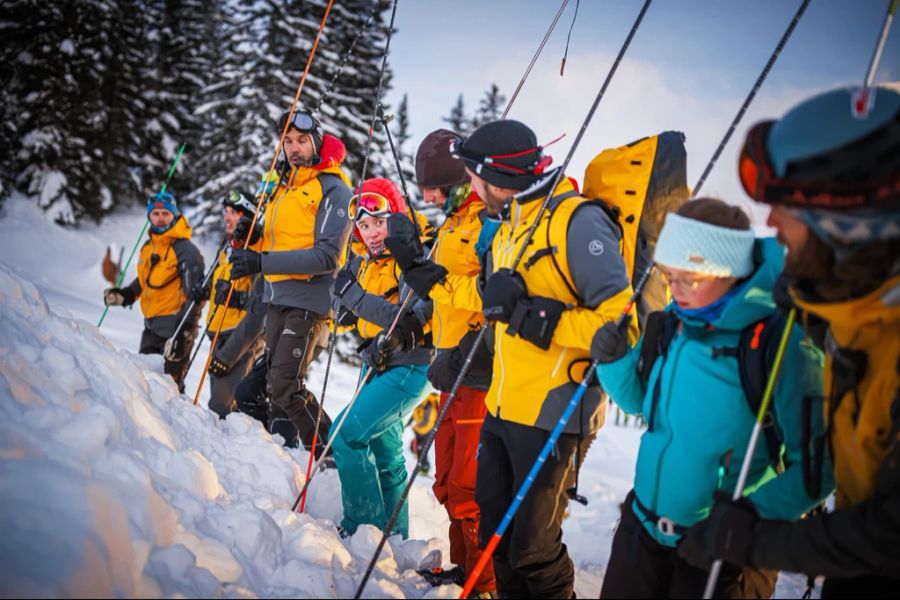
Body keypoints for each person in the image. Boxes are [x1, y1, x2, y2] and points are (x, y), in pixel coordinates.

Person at [676, 86, 900, 598]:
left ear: (847, 225)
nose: (771, 224)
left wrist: (759, 540)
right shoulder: (850, 318)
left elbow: (890, 532)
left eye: (787, 209)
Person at [591, 198, 831, 598]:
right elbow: (639, 404)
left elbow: (819, 467)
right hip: (642, 531)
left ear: (731, 270)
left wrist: (746, 521)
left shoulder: (781, 344)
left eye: (692, 278)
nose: (676, 290)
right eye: (669, 276)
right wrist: (614, 363)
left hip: (723, 552)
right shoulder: (671, 324)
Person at [456, 119, 638, 599]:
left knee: (533, 549)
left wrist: (538, 318)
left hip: (555, 411)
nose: (471, 188)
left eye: (475, 177)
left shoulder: (577, 221)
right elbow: (497, 302)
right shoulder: (509, 227)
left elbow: (621, 324)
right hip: (501, 406)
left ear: (498, 178)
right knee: (498, 536)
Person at [384, 128, 497, 595]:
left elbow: (488, 295)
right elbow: (441, 295)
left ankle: (485, 582)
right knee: (446, 481)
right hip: (452, 364)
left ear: (461, 181)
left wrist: (432, 277)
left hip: (478, 364)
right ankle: (464, 567)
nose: (427, 196)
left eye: (434, 188)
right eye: (424, 188)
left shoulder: (487, 222)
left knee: (469, 487)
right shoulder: (451, 223)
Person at [228, 108, 351, 450]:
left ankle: (331, 453)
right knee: (261, 389)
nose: (294, 148)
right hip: (277, 300)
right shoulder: (285, 188)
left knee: (283, 386)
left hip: (309, 305)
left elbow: (327, 257)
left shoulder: (334, 190)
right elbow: (278, 242)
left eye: (301, 141)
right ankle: (274, 453)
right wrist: (252, 238)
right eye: (288, 142)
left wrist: (260, 261)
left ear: (317, 142)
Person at [330, 177, 433, 539]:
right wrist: (341, 307)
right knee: (387, 458)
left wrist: (355, 299)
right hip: (376, 365)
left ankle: (363, 530)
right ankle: (395, 540)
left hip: (409, 366)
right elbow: (354, 313)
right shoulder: (367, 263)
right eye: (363, 226)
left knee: (343, 436)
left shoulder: (411, 254)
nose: (371, 233)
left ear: (396, 216)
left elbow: (405, 319)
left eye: (378, 222)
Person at [103, 192, 204, 392]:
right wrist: (126, 295)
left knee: (169, 392)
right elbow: (144, 281)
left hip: (175, 330)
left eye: (165, 213)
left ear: (174, 215)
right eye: (155, 213)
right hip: (150, 329)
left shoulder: (186, 251)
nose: (160, 218)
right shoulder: (148, 247)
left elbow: (196, 298)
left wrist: (182, 335)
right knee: (144, 386)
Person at [191, 190, 265, 419]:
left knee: (223, 410)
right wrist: (205, 290)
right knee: (220, 407)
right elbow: (218, 282)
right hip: (217, 333)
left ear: (248, 217)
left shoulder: (257, 253)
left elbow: (261, 307)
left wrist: (235, 299)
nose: (227, 217)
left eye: (233, 212)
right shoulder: (227, 247)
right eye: (226, 212)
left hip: (239, 339)